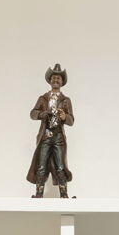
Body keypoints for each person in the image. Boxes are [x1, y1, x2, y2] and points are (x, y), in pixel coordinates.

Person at [27, 64, 74, 198]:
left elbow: (71, 120)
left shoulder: (66, 101)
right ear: (50, 80)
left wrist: (65, 117)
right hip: (45, 137)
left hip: (58, 137)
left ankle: (64, 195)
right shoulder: (43, 98)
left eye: (58, 78)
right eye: (54, 78)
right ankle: (39, 194)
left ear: (62, 82)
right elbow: (33, 113)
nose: (56, 81)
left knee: (60, 166)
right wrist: (43, 114)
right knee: (41, 166)